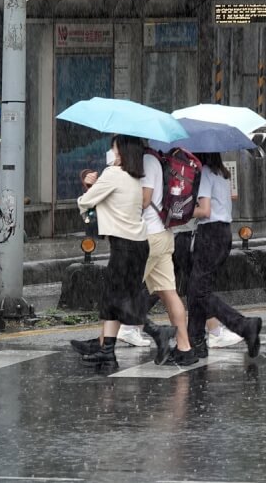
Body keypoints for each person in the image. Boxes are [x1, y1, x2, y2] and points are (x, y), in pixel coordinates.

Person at [74, 135, 175, 368]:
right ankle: (107, 351)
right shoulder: (134, 178)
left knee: (118, 302)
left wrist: (88, 186)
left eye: (115, 148)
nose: (113, 152)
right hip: (139, 245)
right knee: (114, 299)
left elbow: (86, 201)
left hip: (124, 247)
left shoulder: (113, 174)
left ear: (121, 152)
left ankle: (158, 331)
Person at [186, 152, 262, 358]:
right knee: (197, 289)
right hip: (223, 233)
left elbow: (205, 210)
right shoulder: (222, 173)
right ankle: (195, 340)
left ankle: (244, 325)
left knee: (199, 291)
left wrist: (181, 210)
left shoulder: (204, 173)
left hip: (210, 233)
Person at [140, 148, 198, 366]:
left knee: (122, 292)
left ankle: (104, 345)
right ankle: (185, 348)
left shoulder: (146, 161)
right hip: (165, 233)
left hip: (150, 235)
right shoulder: (158, 160)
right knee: (169, 292)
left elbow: (144, 200)